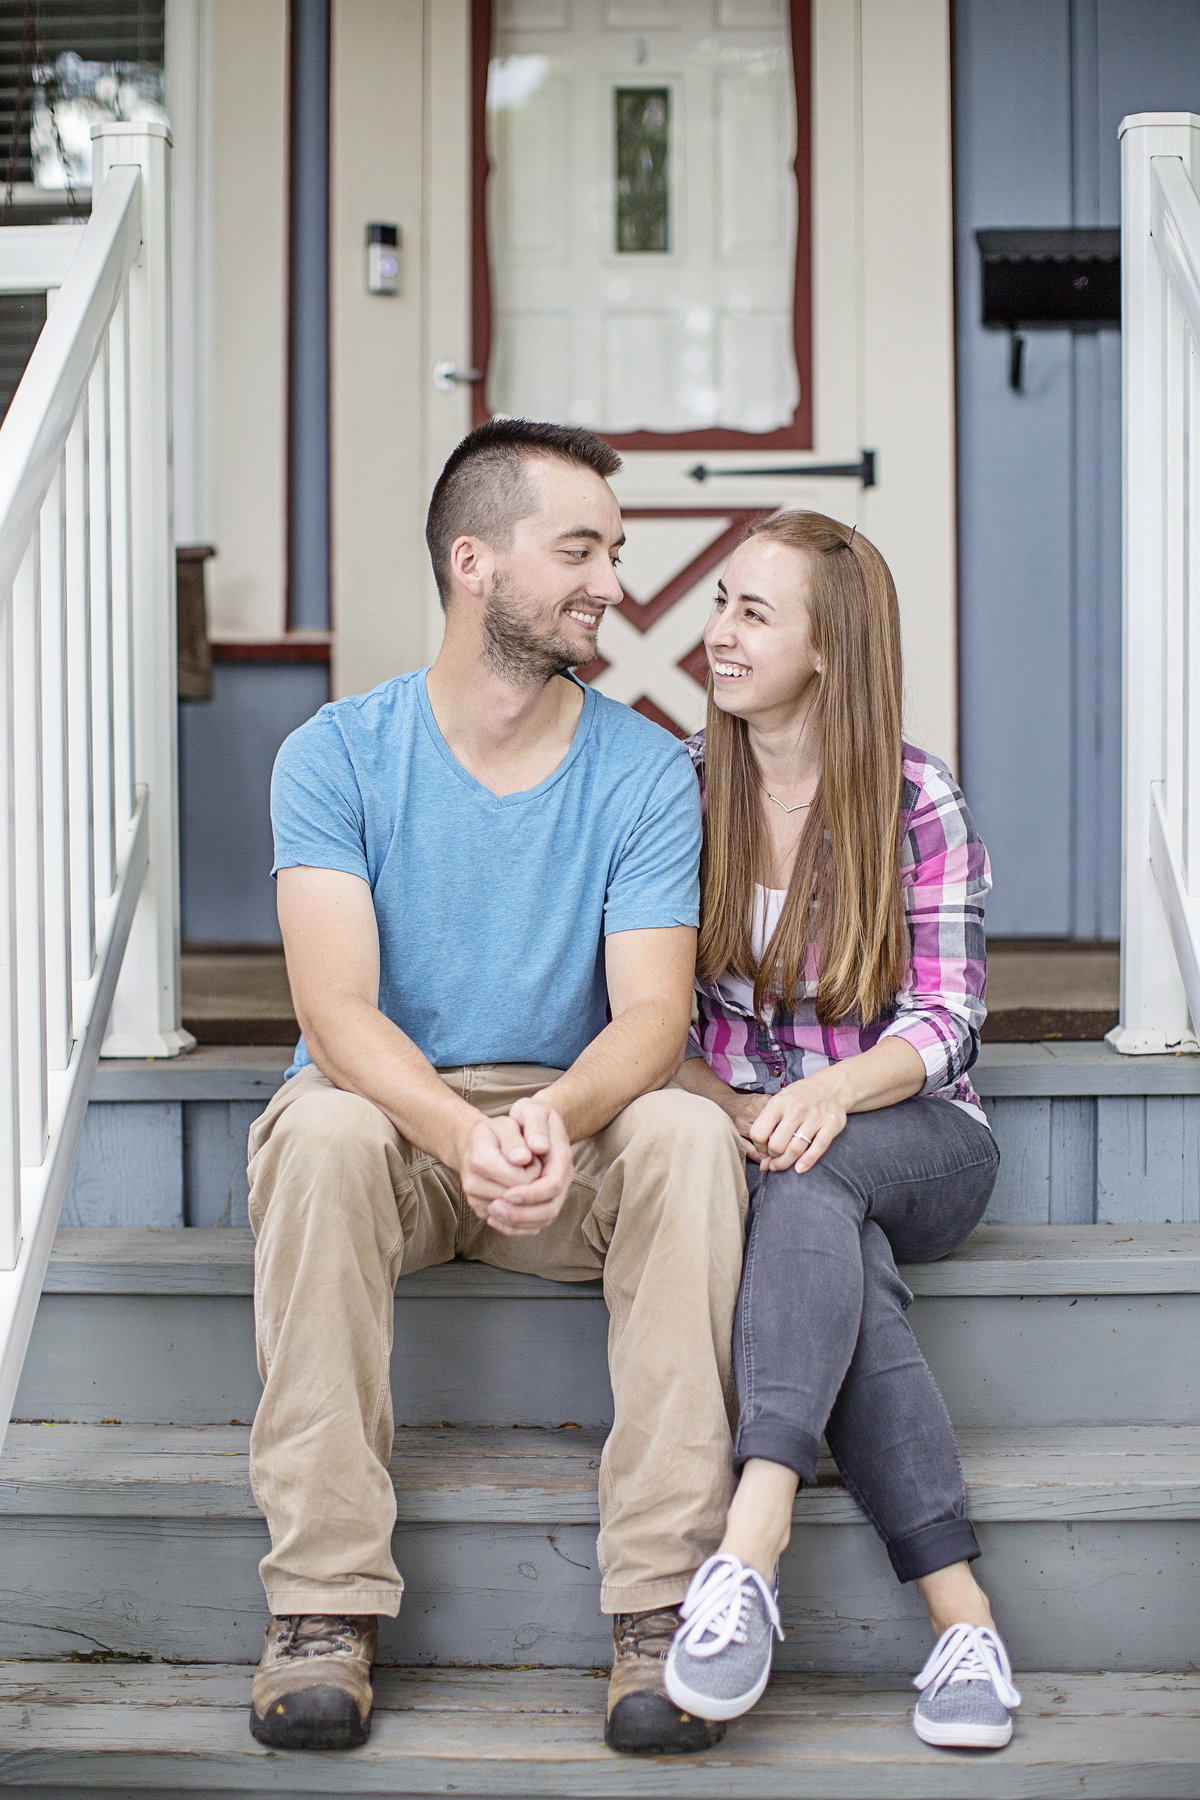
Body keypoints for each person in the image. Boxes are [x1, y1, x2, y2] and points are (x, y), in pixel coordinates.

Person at [244, 418, 749, 1757]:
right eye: (578, 549)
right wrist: (459, 1131)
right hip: (396, 1128)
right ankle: (320, 1608)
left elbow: (650, 1017)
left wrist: (550, 1119)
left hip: (562, 1134)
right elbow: (333, 1009)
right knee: (320, 1137)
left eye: (616, 552)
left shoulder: (644, 771)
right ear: (475, 562)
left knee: (694, 1139)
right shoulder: (336, 755)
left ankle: (660, 1606)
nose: (611, 583)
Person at [661, 510, 1021, 1751]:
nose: (718, 634)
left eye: (754, 613)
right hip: (762, 1145)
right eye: (719, 603)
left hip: (920, 1136)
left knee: (818, 1180)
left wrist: (828, 1094)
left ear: (830, 648)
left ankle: (748, 1546)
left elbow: (949, 1016)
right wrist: (743, 1110)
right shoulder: (685, 793)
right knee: (825, 1230)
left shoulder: (916, 795)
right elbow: (655, 1025)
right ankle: (961, 1617)